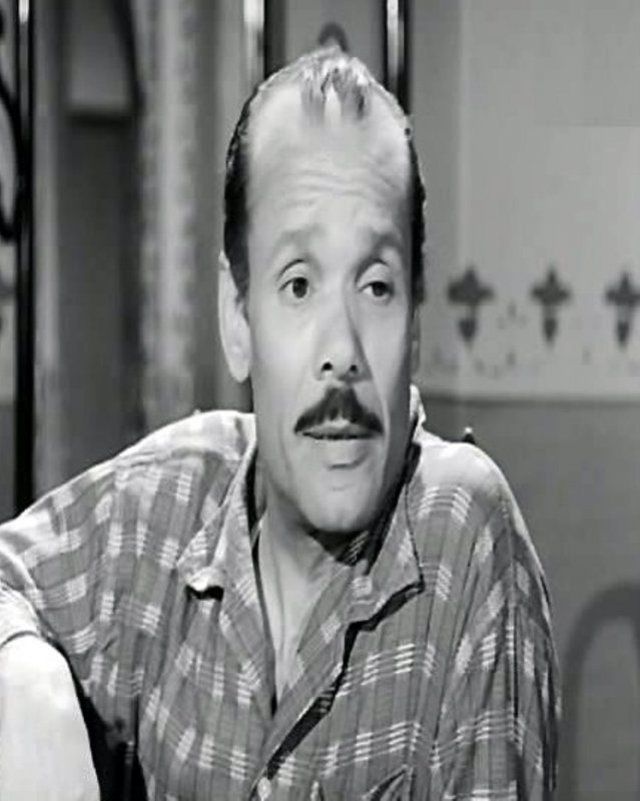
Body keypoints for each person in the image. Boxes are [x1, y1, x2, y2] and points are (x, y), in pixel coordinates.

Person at [0, 48, 559, 800]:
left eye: (377, 286)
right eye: (298, 285)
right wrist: (27, 684)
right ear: (238, 319)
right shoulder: (163, 510)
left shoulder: (462, 534)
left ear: (415, 323)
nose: (343, 352)